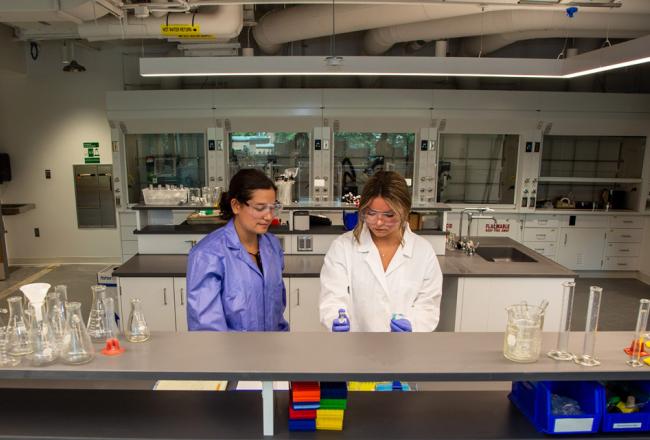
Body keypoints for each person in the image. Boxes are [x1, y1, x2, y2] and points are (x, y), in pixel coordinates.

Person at [320, 171, 442, 332]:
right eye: (370, 213)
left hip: (403, 348)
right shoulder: (343, 247)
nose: (378, 222)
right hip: (354, 348)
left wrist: (413, 325)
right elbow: (332, 298)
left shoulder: (423, 252)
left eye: (389, 215)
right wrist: (335, 318)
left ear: (405, 211)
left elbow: (428, 307)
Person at [186, 169, 289, 332]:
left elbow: (278, 314)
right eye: (260, 208)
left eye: (272, 207)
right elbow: (206, 329)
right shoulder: (208, 254)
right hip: (230, 355)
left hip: (271, 351)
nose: (268, 216)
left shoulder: (272, 247)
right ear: (236, 206)